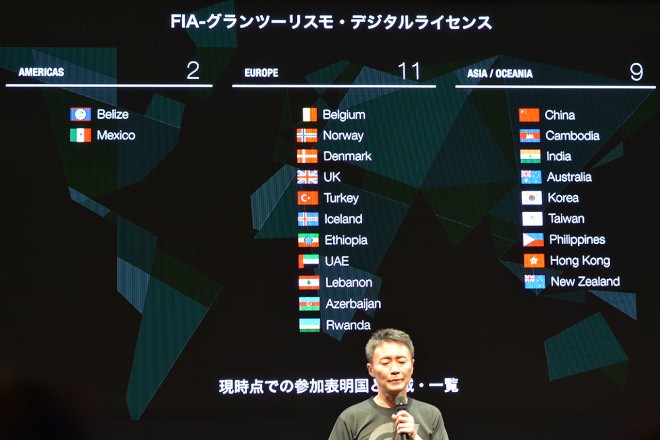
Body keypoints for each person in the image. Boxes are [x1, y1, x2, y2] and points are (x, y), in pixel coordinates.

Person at [328, 328, 449, 440]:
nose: (395, 370)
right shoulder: (351, 418)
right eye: (385, 363)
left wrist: (415, 437)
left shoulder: (430, 415)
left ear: (412, 366)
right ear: (371, 369)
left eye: (401, 361)